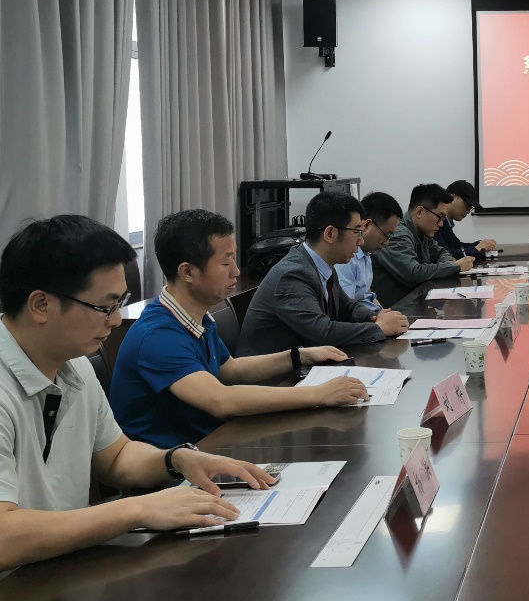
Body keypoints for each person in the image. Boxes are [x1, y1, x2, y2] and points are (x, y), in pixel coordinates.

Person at [0, 215, 274, 576]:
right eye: (105, 306)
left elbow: (116, 456)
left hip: (59, 571)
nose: (115, 321)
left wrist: (177, 459)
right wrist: (138, 510)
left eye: (120, 303)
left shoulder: (74, 365)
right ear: (40, 305)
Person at [110, 209, 372, 449]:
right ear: (187, 272)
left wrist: (298, 356)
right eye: (226, 263)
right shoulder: (158, 335)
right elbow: (221, 400)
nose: (236, 272)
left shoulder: (194, 315)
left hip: (211, 444)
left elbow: (231, 369)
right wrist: (318, 394)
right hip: (173, 469)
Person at [238, 191, 409, 357]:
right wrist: (378, 328)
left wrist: (376, 316)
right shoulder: (292, 275)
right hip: (273, 374)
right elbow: (322, 333)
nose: (361, 240)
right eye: (356, 232)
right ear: (330, 234)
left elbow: (348, 308)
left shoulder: (323, 265)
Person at [372, 183, 474, 307]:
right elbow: (414, 272)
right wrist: (455, 266)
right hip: (392, 310)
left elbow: (441, 253)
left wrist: (452, 264)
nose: (441, 224)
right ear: (419, 212)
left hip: (413, 305)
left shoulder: (423, 232)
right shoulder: (398, 234)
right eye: (440, 217)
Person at [335, 191, 402, 317]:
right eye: (386, 235)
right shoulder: (347, 259)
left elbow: (367, 295)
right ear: (366, 225)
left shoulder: (366, 253)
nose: (387, 242)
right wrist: (379, 320)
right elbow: (345, 311)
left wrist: (383, 313)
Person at [436, 180, 497, 262]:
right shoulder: (435, 222)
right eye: (467, 205)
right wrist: (476, 249)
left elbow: (457, 245)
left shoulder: (446, 222)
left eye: (470, 208)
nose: (468, 211)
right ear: (452, 197)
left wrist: (479, 244)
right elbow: (444, 255)